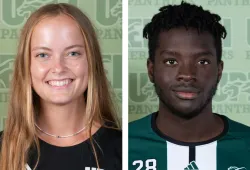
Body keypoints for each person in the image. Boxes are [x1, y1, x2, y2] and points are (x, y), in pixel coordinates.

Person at [129, 1, 250, 170]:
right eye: (171, 61)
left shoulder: (246, 147)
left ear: (219, 70)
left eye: (202, 61)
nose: (187, 75)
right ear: (151, 70)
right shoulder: (122, 146)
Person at [0, 3, 121, 170]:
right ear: (26, 66)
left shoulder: (123, 149)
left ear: (91, 61)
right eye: (43, 55)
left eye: (73, 53)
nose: (58, 68)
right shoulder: (4, 149)